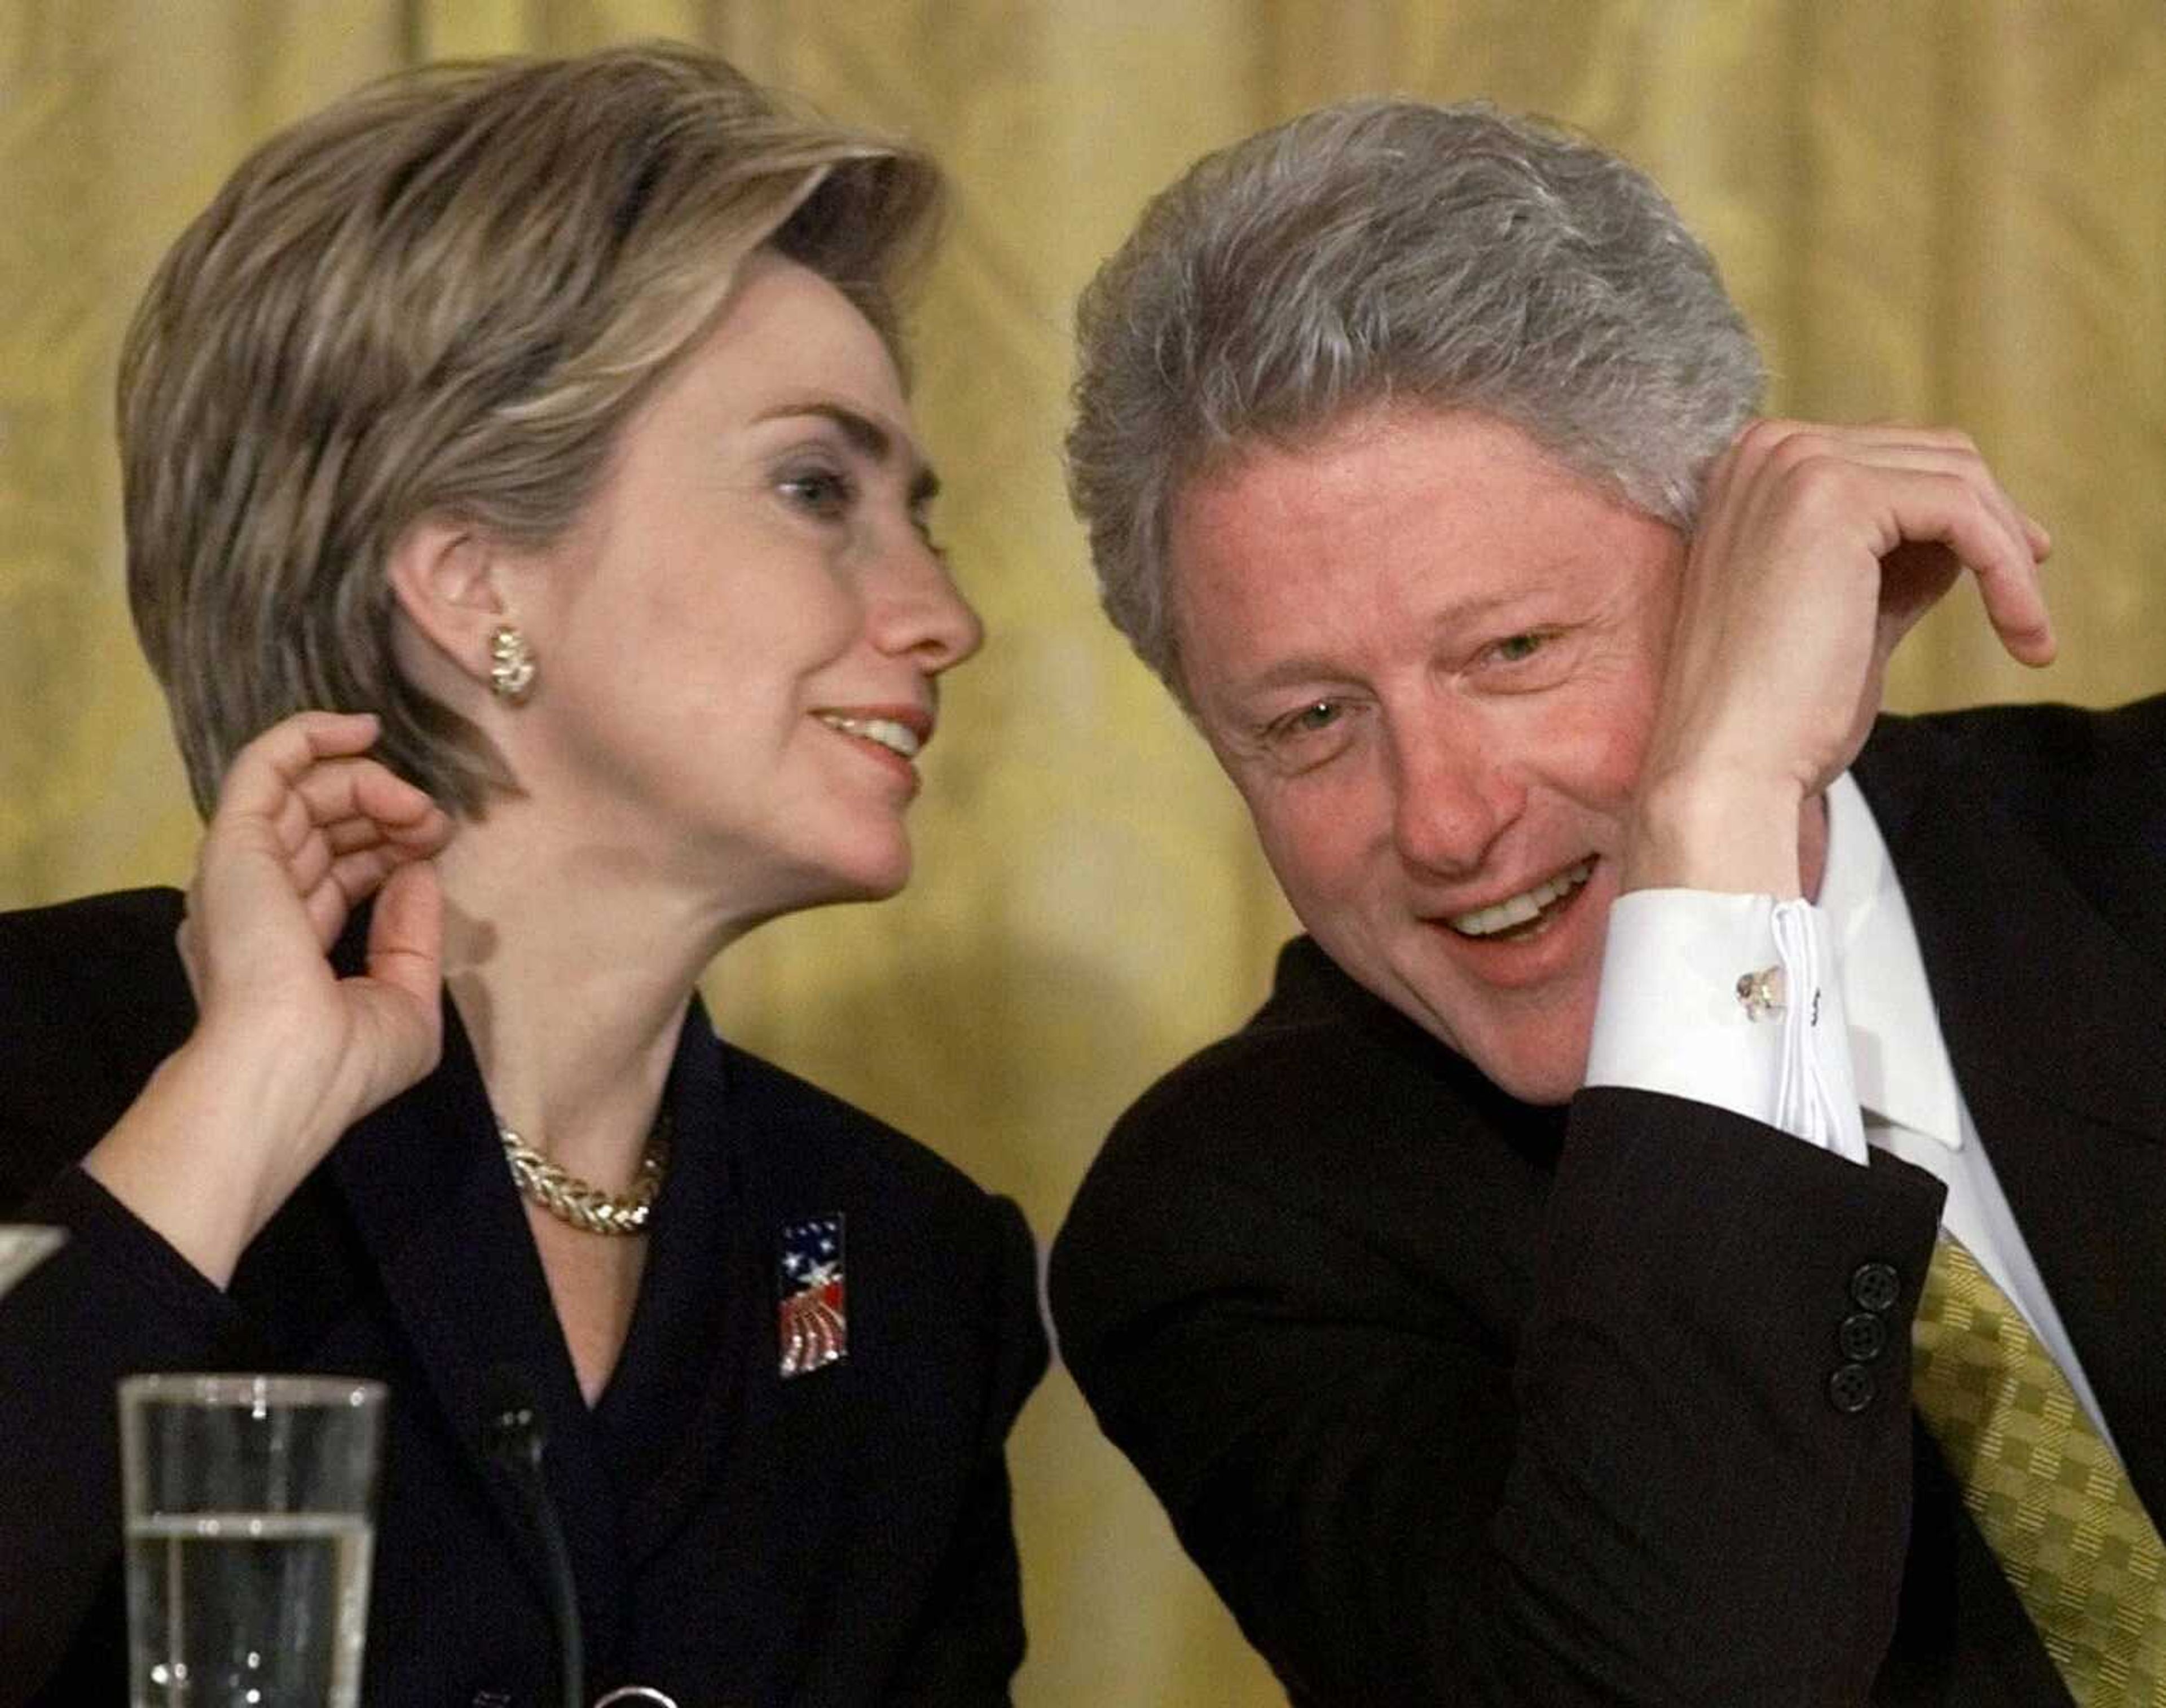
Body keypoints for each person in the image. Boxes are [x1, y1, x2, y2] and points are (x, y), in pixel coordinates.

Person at [1051, 97, 2166, 1706]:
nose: (1443, 820)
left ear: (1740, 566)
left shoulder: (2131, 843)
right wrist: (1715, 832)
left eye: (1512, 653)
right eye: (1310, 723)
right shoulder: (1236, 1221)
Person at [0, 45, 1045, 1708]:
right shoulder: (40, 1063)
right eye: (814, 488)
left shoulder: (907, 1268)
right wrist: (240, 1111)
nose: (941, 615)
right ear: (469, 570)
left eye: (918, 514)